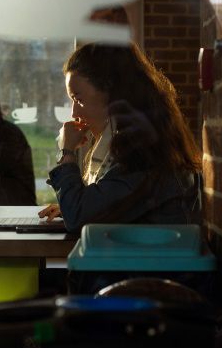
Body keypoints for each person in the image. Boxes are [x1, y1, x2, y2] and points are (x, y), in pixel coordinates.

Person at [38, 42, 203, 233]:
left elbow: (78, 218)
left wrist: (66, 153)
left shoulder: (142, 154)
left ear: (113, 97)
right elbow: (98, 207)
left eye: (79, 99)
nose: (74, 112)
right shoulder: (144, 141)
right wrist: (72, 206)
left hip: (150, 262)